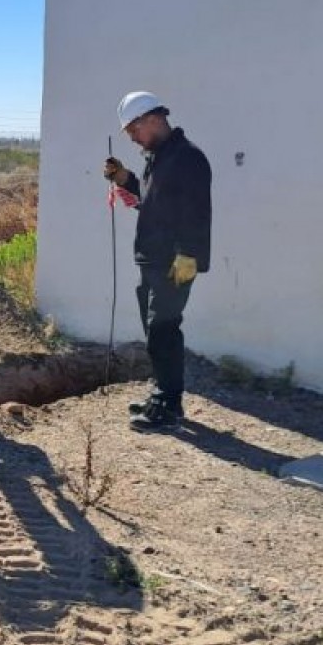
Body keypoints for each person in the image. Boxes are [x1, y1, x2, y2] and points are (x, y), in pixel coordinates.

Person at [103, 90, 212, 432]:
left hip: (176, 263)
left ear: (152, 119)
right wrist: (124, 179)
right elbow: (152, 201)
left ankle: (167, 404)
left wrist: (187, 259)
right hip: (151, 261)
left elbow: (196, 215)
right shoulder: (160, 158)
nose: (132, 138)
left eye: (134, 130)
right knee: (155, 331)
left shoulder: (187, 158)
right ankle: (163, 395)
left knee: (164, 330)